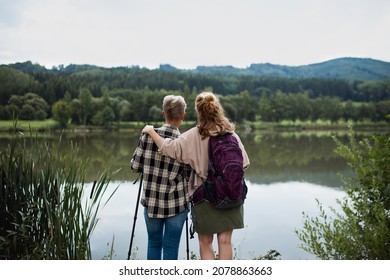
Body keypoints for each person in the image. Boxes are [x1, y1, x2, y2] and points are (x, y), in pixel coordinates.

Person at [142, 91, 250, 260]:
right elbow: (244, 163)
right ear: (217, 109)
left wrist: (151, 131)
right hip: (231, 195)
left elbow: (167, 148)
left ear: (199, 112)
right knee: (225, 242)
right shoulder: (231, 134)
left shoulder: (194, 135)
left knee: (205, 242)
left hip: (205, 197)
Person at [131, 95, 190, 260]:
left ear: (163, 113)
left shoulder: (148, 135)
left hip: (151, 202)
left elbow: (135, 166)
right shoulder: (185, 141)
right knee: (171, 248)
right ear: (183, 116)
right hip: (177, 205)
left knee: (153, 243)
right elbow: (191, 174)